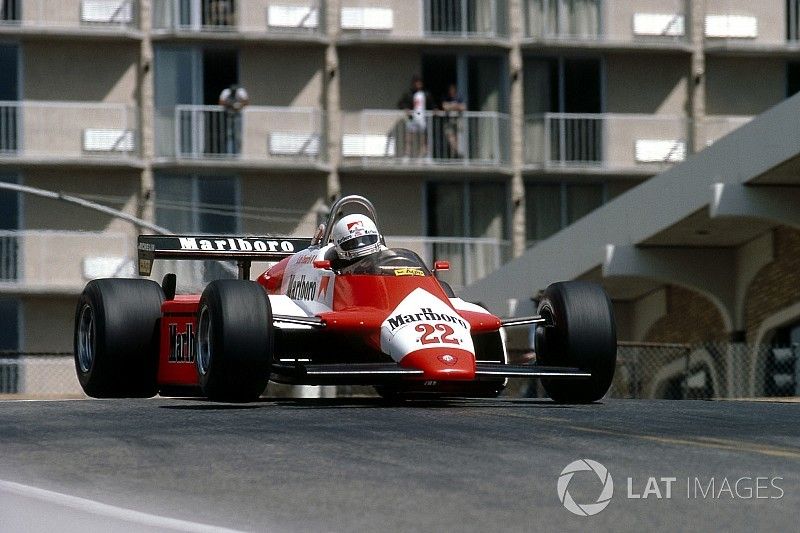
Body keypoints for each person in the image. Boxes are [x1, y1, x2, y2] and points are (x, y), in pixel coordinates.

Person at [396, 75, 434, 159]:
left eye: (420, 82)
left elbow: (431, 104)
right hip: (412, 118)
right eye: (417, 82)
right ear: (413, 83)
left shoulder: (426, 94)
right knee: (409, 137)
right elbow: (400, 104)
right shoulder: (408, 94)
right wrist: (406, 108)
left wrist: (435, 109)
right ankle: (407, 155)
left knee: (423, 138)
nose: (419, 84)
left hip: (422, 118)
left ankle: (423, 155)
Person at [218, 84, 249, 155]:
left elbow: (246, 102)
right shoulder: (226, 92)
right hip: (228, 116)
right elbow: (221, 102)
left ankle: (238, 154)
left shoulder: (241, 92)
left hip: (238, 116)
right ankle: (229, 154)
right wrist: (231, 105)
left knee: (238, 136)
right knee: (229, 135)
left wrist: (239, 105)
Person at [441, 83, 466, 158]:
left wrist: (451, 106)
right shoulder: (446, 97)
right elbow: (444, 107)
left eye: (453, 89)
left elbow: (463, 107)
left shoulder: (459, 97)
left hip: (457, 119)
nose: (451, 91)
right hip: (449, 120)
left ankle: (455, 155)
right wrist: (456, 106)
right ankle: (457, 152)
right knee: (450, 137)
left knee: (458, 137)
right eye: (450, 90)